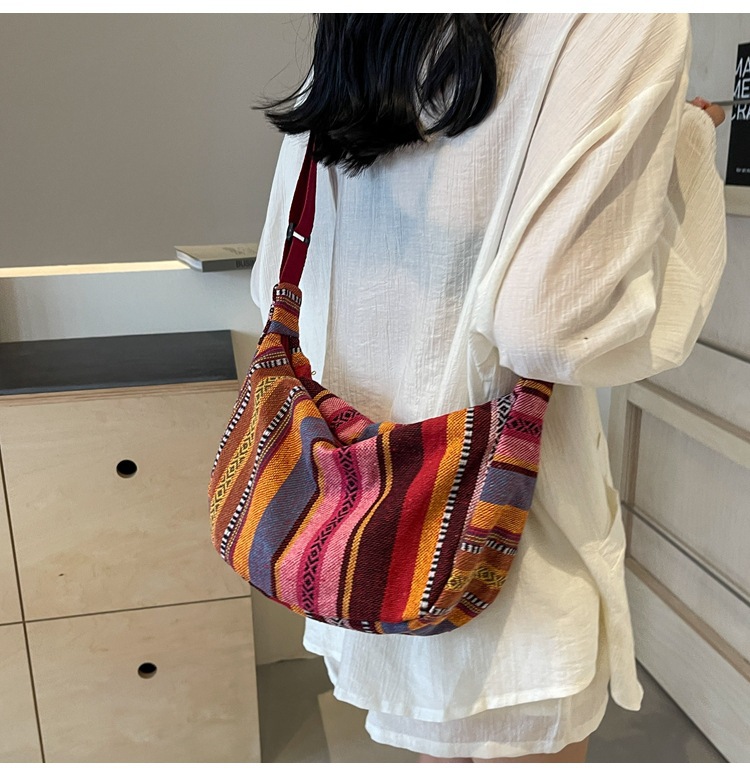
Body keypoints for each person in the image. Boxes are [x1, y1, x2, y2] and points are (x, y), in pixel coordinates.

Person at [249, 13, 727, 763]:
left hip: (353, 524)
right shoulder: (622, 18)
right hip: (501, 547)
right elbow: (552, 330)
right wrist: (682, 144)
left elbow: (278, 276)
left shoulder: (362, 26)